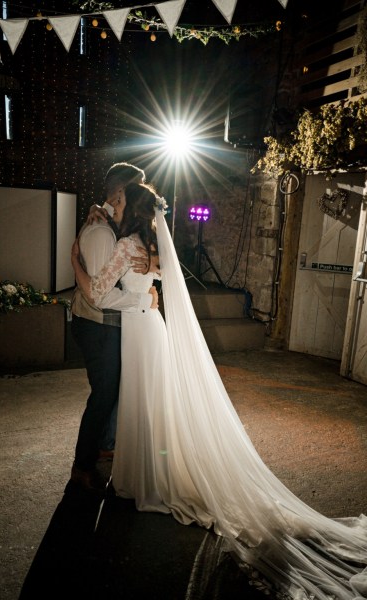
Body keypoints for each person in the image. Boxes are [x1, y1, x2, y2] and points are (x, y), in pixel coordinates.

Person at [71, 182, 367, 599]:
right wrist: (148, 289)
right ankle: (147, 473)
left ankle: (142, 480)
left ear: (132, 210)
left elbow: (99, 294)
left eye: (120, 203)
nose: (114, 208)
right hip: (152, 329)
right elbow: (154, 280)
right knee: (154, 405)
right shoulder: (153, 247)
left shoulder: (126, 247)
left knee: (143, 404)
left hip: (138, 331)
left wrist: (75, 265)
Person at [70, 162, 157, 492]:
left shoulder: (116, 226)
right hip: (98, 326)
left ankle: (107, 444)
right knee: (103, 397)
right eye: (134, 190)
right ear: (121, 192)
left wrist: (152, 271)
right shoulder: (103, 231)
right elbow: (96, 296)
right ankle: (82, 466)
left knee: (117, 393)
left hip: (122, 325)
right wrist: (143, 301)